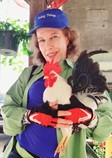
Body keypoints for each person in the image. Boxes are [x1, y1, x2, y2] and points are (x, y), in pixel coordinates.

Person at [1, 8, 112, 158]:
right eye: (42, 40)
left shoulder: (85, 75)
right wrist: (29, 116)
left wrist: (90, 118)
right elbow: (7, 109)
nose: (48, 46)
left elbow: (105, 129)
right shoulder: (29, 74)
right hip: (20, 153)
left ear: (67, 38)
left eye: (54, 36)